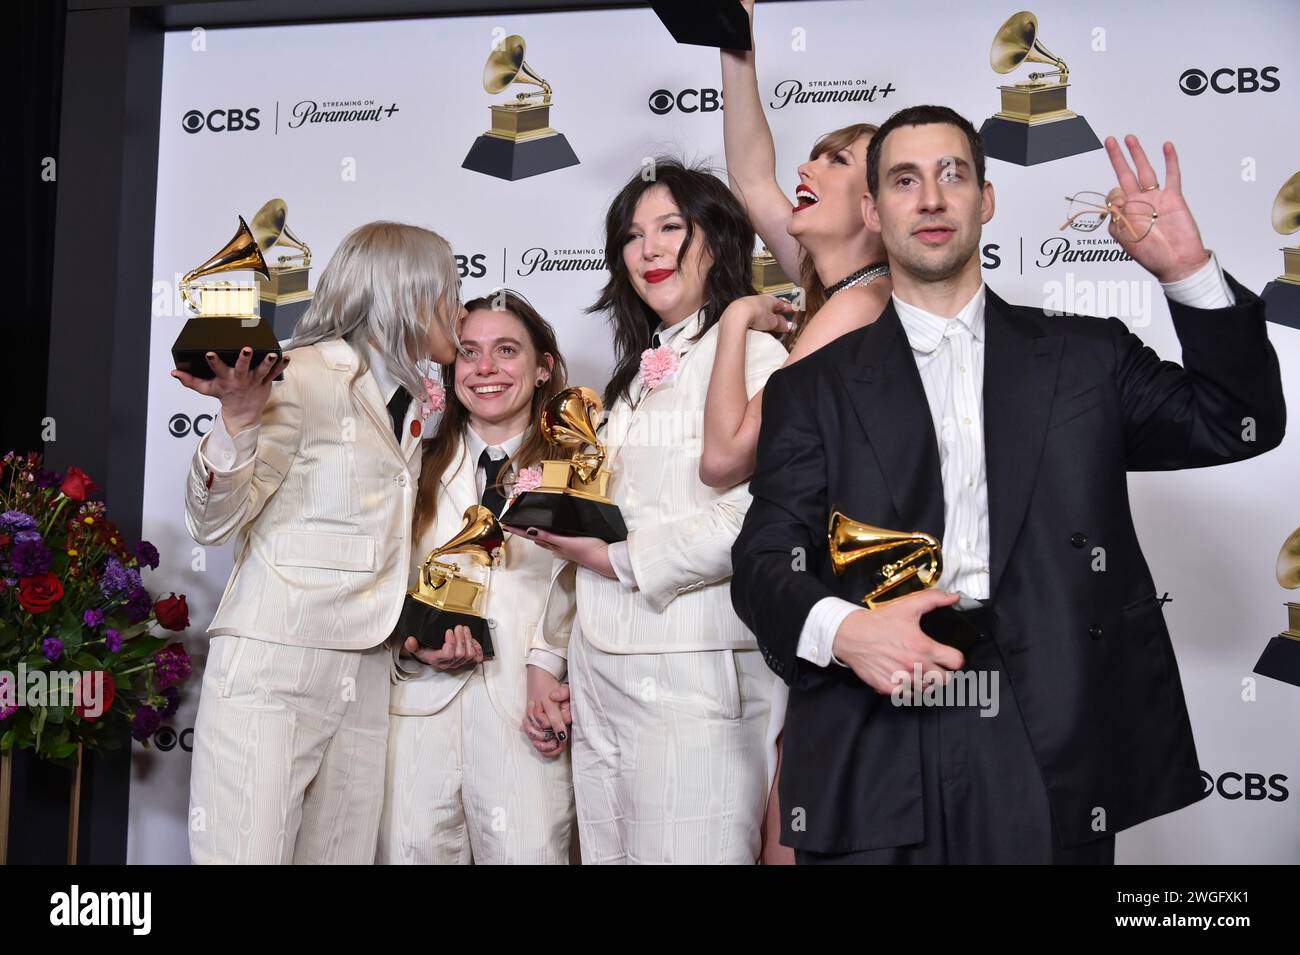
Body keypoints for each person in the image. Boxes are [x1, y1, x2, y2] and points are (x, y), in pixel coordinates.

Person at [730, 105, 1287, 864]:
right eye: (903, 180)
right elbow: (764, 559)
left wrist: (1185, 272)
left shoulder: (1089, 357)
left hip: (1048, 728)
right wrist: (847, 631)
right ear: (873, 209)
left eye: (953, 175)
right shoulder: (812, 389)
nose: (930, 198)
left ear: (986, 200)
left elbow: (1239, 420)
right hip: (873, 720)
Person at [508, 160, 789, 863]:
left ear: (720, 242)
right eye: (633, 236)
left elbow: (757, 517)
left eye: (671, 228)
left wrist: (619, 558)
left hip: (697, 680)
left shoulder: (758, 355)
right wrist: (547, 655)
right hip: (601, 677)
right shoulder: (632, 377)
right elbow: (589, 523)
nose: (650, 250)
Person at [177, 221, 466, 864]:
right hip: (276, 664)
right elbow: (212, 522)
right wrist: (239, 422)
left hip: (362, 670)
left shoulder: (414, 403)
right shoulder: (301, 376)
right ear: (406, 296)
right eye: (448, 290)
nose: (460, 308)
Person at [708, 0, 893, 863]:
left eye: (838, 160)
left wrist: (738, 325)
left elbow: (730, 455)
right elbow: (750, 174)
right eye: (814, 153)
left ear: (879, 206)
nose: (809, 168)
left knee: (795, 836)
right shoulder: (832, 278)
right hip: (823, 600)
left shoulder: (856, 303)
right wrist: (735, 44)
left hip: (849, 603)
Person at [377, 290, 577, 864]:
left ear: (543, 367)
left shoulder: (579, 464)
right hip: (414, 722)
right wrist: (411, 643)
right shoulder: (409, 464)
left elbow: (589, 586)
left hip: (527, 716)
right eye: (468, 352)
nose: (485, 368)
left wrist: (552, 667)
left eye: (506, 350)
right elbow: (379, 579)